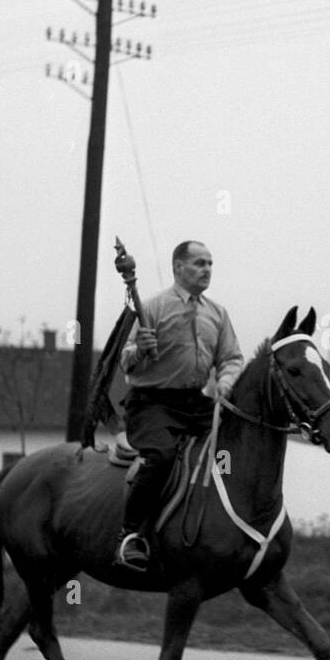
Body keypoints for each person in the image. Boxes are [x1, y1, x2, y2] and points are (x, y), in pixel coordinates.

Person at [114, 240, 243, 570]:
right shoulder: (154, 308)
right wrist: (140, 349)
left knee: (236, 446)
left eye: (210, 263)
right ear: (178, 268)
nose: (206, 270)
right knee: (162, 456)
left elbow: (231, 358)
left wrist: (226, 382)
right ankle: (130, 535)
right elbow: (125, 363)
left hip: (196, 402)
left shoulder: (217, 313)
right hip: (152, 403)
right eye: (199, 263)